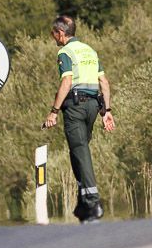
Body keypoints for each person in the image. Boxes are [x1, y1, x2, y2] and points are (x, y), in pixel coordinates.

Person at [42, 15, 116, 223]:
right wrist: (107, 111)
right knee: (77, 151)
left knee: (81, 150)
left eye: (53, 34)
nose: (53, 38)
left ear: (61, 33)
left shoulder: (65, 52)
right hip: (93, 106)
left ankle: (93, 202)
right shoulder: (89, 50)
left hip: (75, 106)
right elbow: (104, 81)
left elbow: (66, 81)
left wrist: (54, 111)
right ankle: (83, 206)